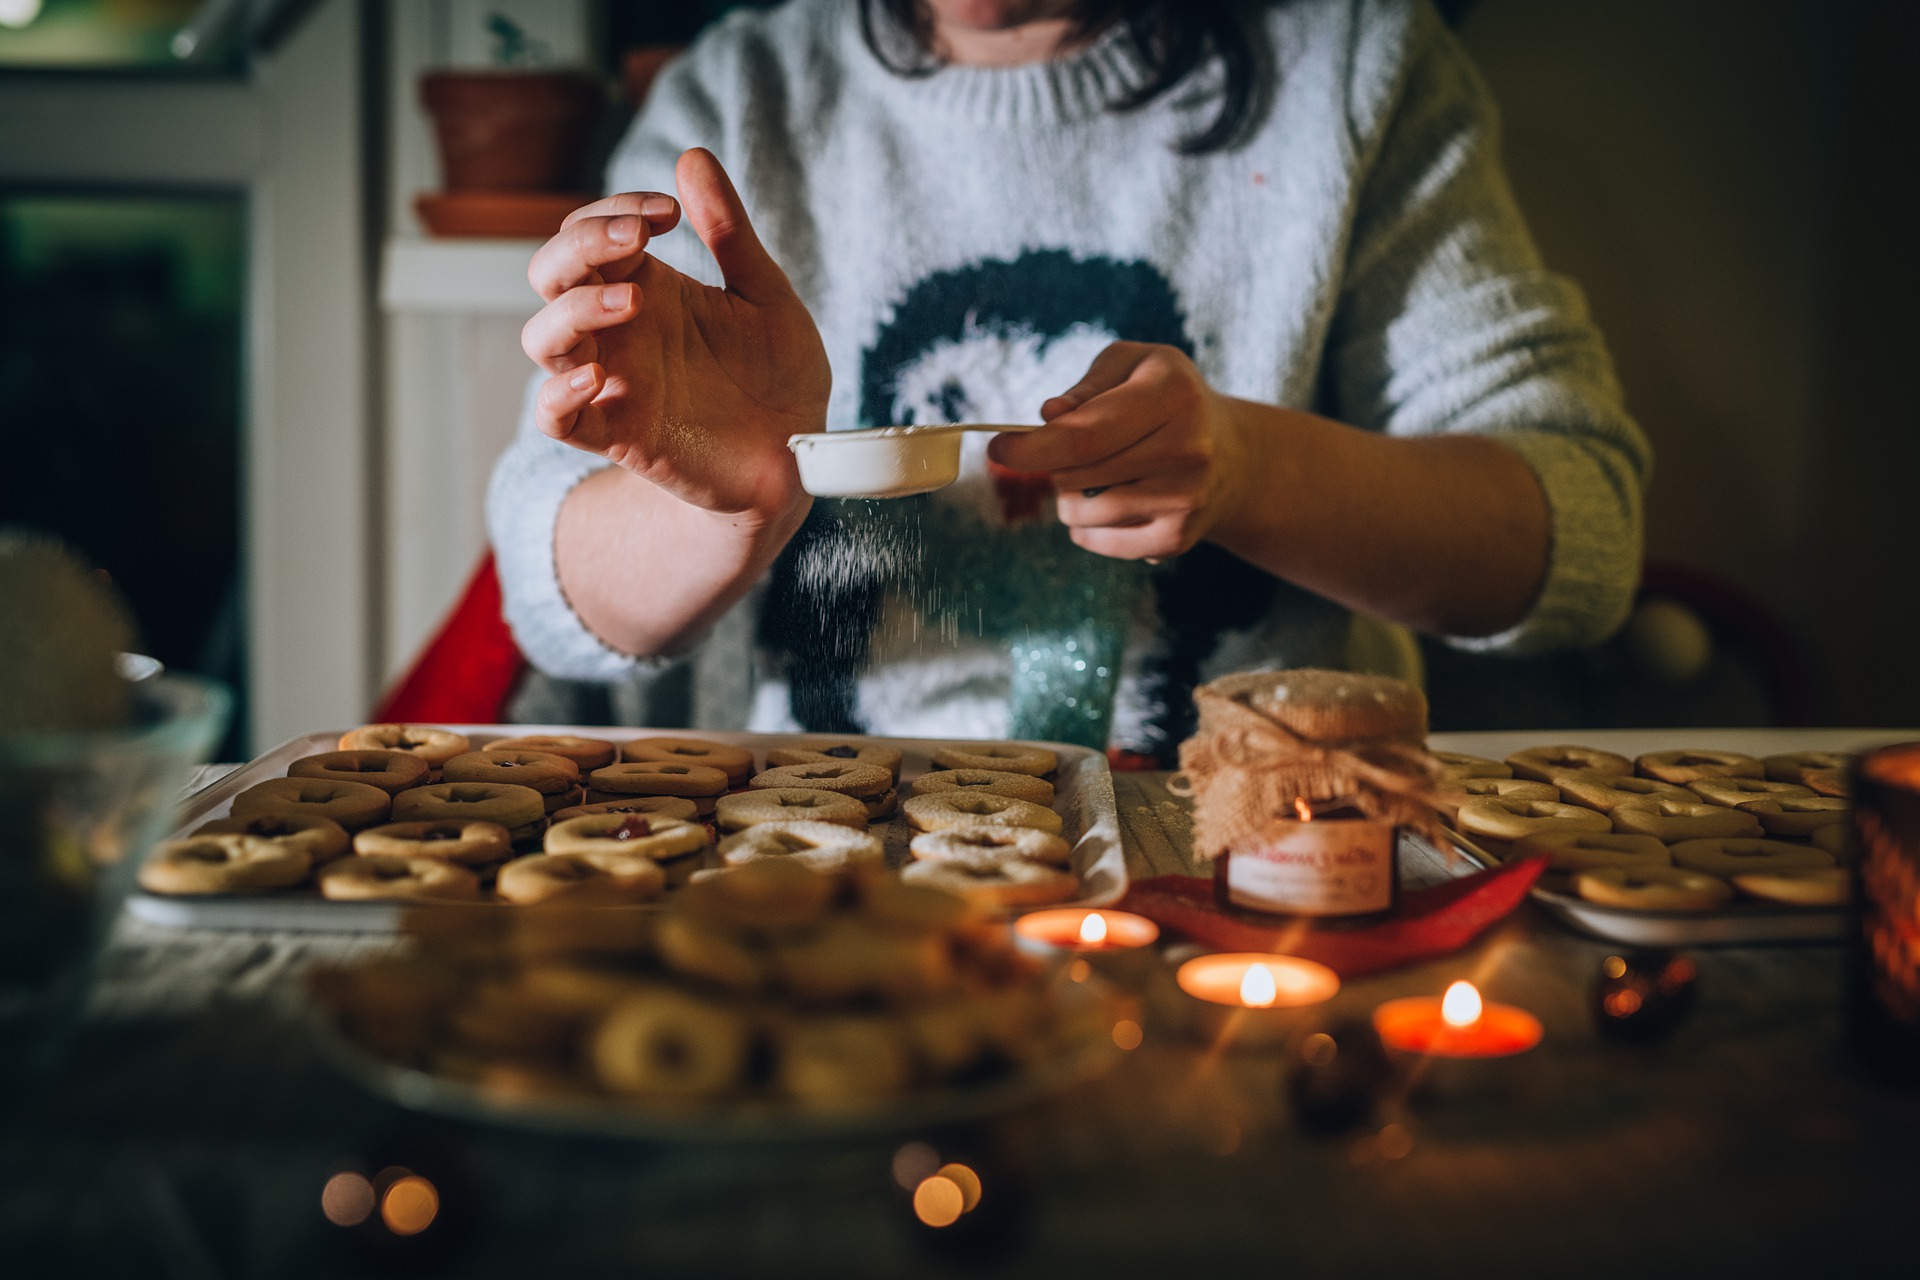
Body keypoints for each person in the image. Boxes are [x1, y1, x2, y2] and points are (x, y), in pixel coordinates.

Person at [487, 0, 1649, 759]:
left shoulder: (1355, 66)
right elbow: (554, 588)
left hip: (1271, 861)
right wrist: (732, 506)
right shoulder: (736, 95)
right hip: (825, 879)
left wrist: (1250, 468)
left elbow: (1576, 537)